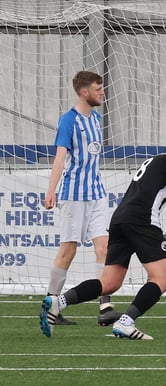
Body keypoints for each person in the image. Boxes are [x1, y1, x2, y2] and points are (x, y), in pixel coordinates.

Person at [39, 127, 166, 339]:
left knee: (109, 282)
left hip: (120, 220)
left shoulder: (155, 159)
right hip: (142, 221)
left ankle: (58, 301)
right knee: (162, 279)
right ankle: (126, 322)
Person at [43, 70, 120, 327]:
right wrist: (51, 190)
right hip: (73, 194)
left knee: (105, 248)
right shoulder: (69, 120)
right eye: (98, 89)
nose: (102, 93)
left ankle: (105, 306)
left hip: (96, 193)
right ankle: (51, 303)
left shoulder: (96, 119)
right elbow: (60, 157)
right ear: (84, 92)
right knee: (69, 250)